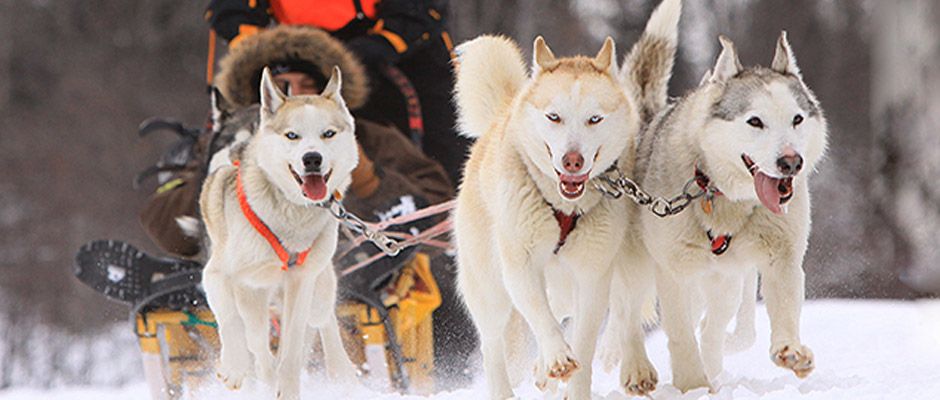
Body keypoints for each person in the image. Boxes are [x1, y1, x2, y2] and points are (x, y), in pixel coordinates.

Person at [206, 0, 470, 186]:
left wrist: (381, 44)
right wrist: (253, 46)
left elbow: (424, 9)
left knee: (446, 155)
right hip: (304, 47)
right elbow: (231, 8)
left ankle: (440, 240)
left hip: (403, 49)